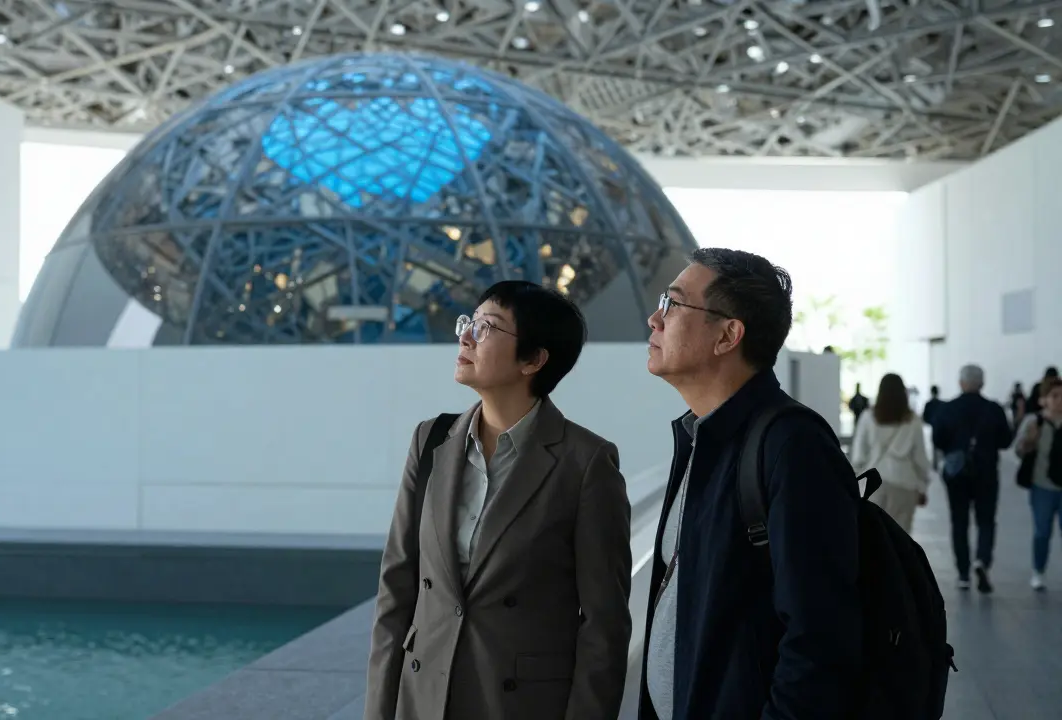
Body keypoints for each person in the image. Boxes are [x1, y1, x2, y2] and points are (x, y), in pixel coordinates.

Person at [365, 281, 633, 720]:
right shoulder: (431, 441)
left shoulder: (584, 463)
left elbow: (604, 625)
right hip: (423, 697)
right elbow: (396, 591)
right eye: (468, 322)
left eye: (487, 328)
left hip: (519, 704)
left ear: (534, 359)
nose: (465, 336)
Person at [638, 248, 861, 720]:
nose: (655, 319)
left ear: (727, 335)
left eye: (673, 304)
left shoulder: (793, 446)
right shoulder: (701, 436)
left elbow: (820, 637)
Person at [931, 364, 1014, 593]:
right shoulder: (994, 409)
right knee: (986, 520)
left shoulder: (948, 409)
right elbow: (1006, 441)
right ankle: (982, 560)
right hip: (986, 472)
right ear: (982, 383)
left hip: (957, 474)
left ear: (961, 383)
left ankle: (963, 574)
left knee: (959, 521)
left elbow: (938, 439)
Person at [850, 373, 931, 533]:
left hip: (873, 483)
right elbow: (920, 458)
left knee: (873, 537)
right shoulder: (912, 421)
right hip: (904, 482)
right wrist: (922, 486)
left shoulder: (868, 417)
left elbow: (858, 455)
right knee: (901, 537)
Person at [1013, 376, 1062, 591]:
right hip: (1042, 486)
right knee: (1042, 532)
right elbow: (1018, 450)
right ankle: (1038, 571)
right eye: (1055, 396)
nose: (1059, 400)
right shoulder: (1034, 422)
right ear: (1043, 400)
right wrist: (1029, 442)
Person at [922, 385, 945, 472]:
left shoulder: (929, 404)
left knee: (934, 446)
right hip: (942, 427)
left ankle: (935, 465)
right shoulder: (942, 404)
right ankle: (940, 463)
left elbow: (925, 417)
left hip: (933, 427)